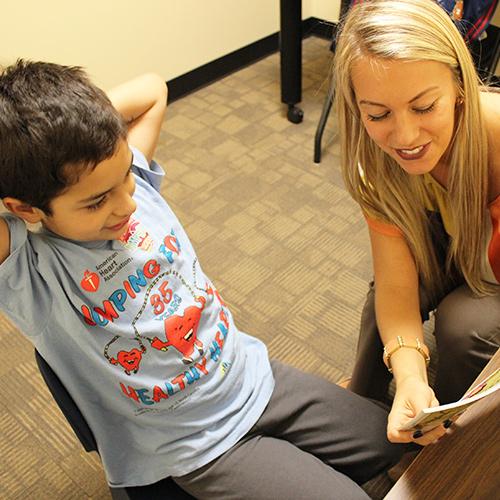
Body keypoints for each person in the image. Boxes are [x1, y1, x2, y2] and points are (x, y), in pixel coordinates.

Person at [0, 60, 405, 499]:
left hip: (254, 376)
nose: (127, 206)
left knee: (391, 442)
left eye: (126, 180)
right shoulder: (31, 273)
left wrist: (76, 132)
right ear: (25, 208)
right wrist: (35, 153)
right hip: (200, 443)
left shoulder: (125, 183)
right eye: (97, 202)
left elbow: (153, 86)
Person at [332, 0, 500, 447]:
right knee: (381, 303)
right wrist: (408, 374)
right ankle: (365, 409)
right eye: (378, 114)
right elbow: (397, 285)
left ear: (460, 86)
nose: (404, 138)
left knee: (463, 325)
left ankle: (449, 431)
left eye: (424, 107)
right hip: (461, 236)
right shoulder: (374, 162)